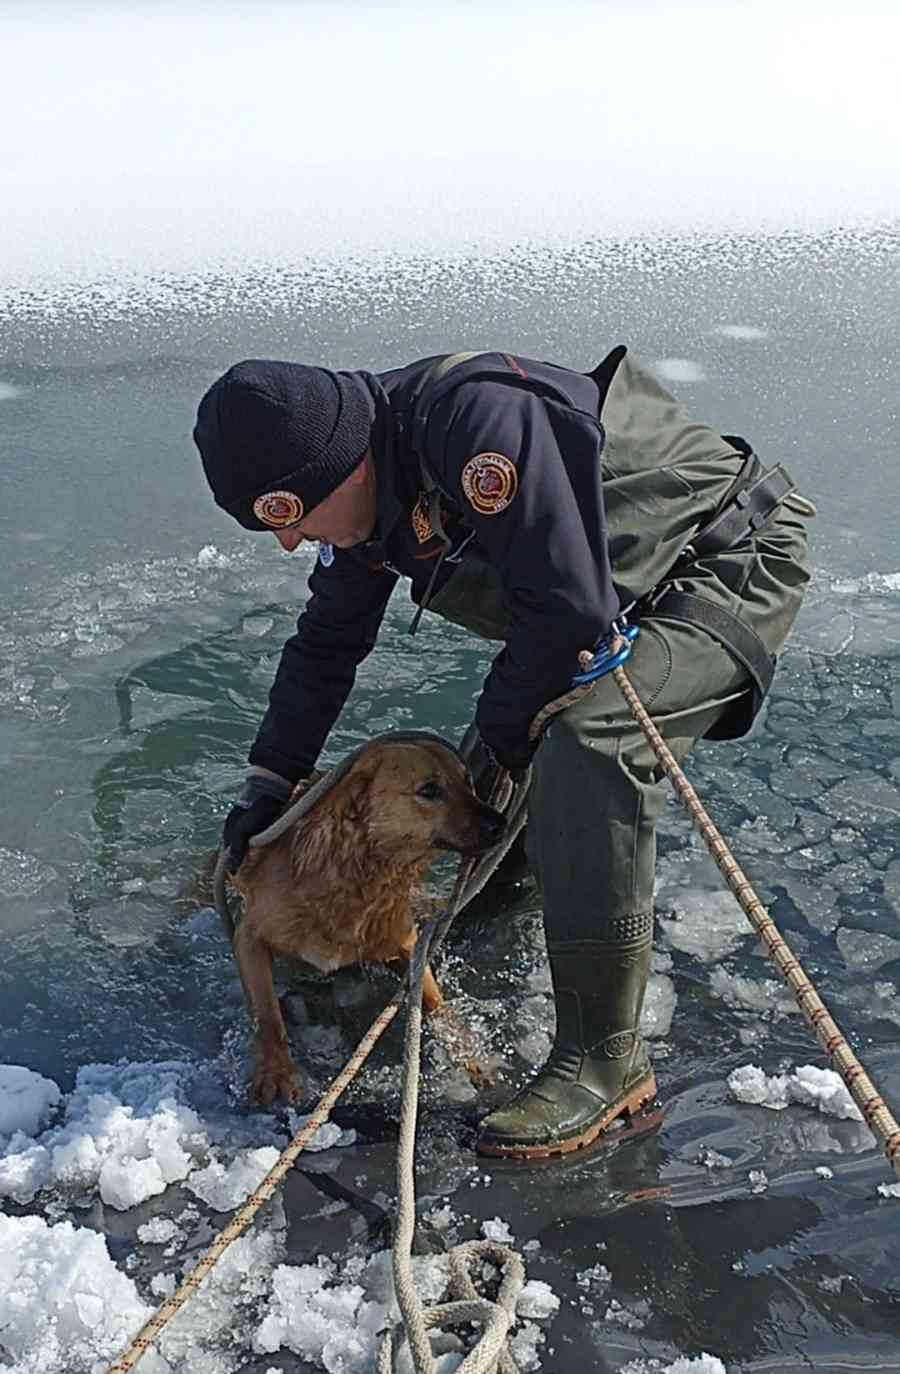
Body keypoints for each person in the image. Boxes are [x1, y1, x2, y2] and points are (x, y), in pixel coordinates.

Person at [193, 346, 812, 1159]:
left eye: (289, 518)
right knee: (483, 788)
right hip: (606, 598)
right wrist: (269, 786)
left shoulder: (478, 426)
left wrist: (511, 732)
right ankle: (515, 905)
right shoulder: (368, 485)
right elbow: (327, 644)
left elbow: (567, 614)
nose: (290, 543)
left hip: (723, 562)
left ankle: (606, 1063)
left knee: (588, 740)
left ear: (334, 471)